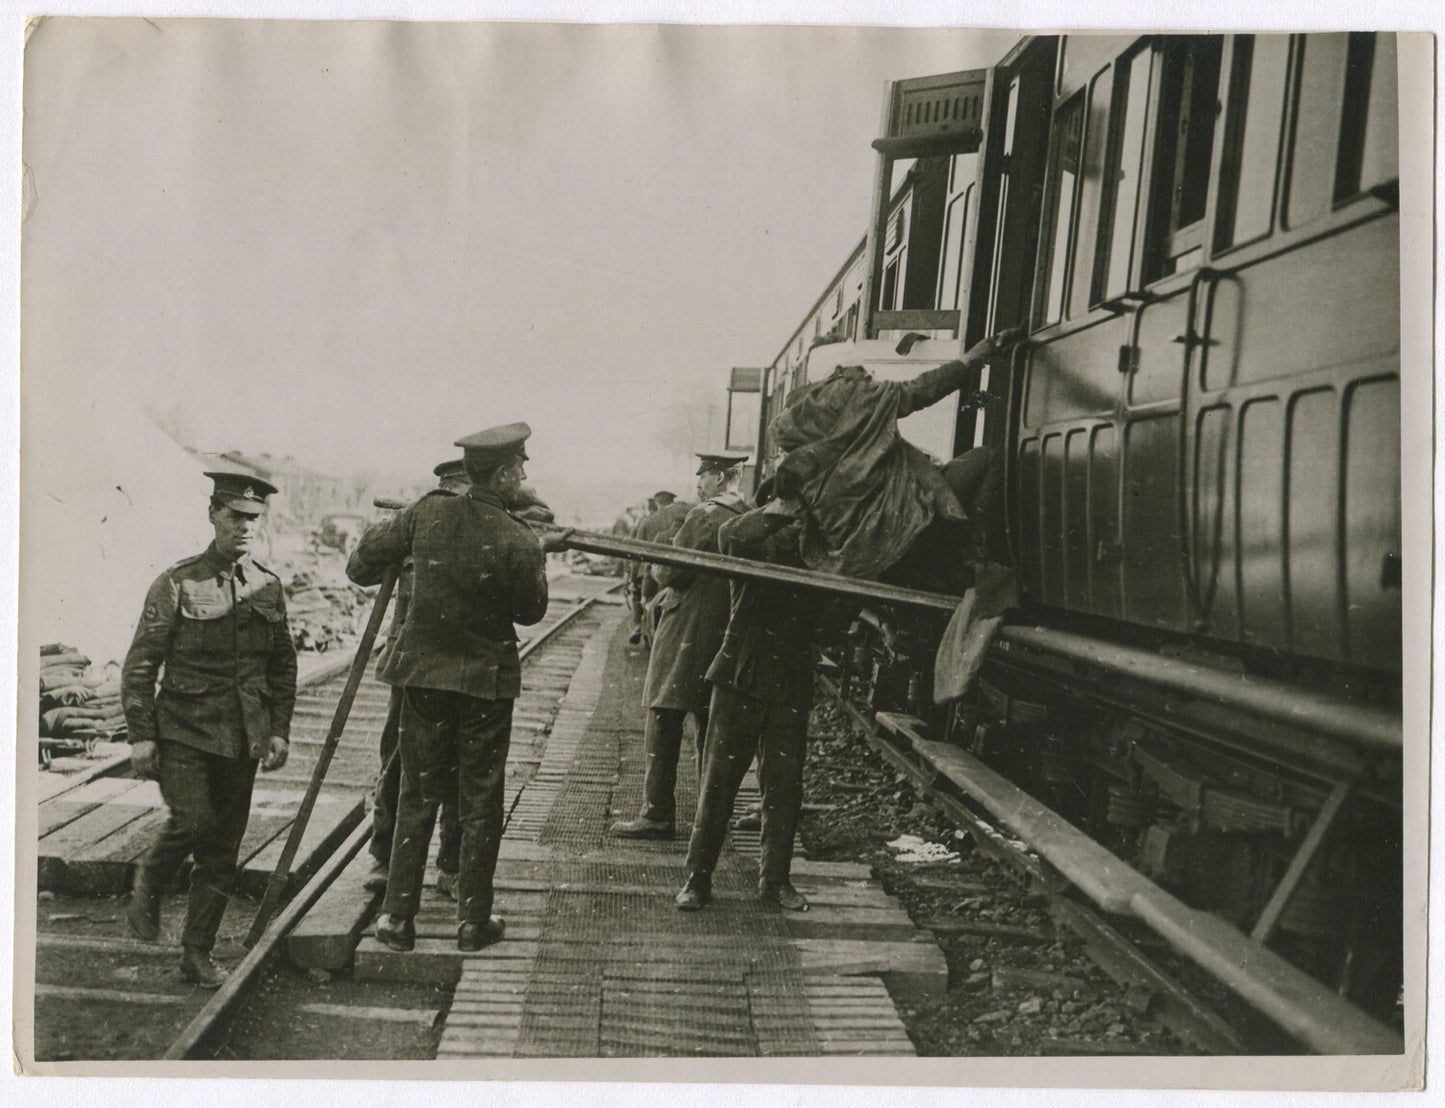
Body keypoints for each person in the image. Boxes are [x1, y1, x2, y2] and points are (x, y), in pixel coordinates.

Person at [346, 423, 552, 953]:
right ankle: (473, 922)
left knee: (417, 792)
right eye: (518, 467)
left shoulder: (425, 512)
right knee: (481, 797)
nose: (523, 474)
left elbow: (364, 557)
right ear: (501, 475)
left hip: (423, 677)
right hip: (485, 684)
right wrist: (537, 556)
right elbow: (531, 612)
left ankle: (397, 919)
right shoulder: (518, 536)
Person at [121, 472, 296, 987]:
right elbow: (140, 666)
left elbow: (282, 665)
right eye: (235, 516)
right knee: (195, 820)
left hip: (242, 738)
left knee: (222, 853)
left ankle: (196, 954)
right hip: (183, 731)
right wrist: (141, 735)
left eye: (253, 519)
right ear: (213, 515)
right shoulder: (178, 582)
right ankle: (151, 877)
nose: (245, 527)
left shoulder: (268, 586)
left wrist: (279, 729)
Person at [675, 494, 821, 913]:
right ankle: (697, 878)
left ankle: (775, 881)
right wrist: (781, 510)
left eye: (806, 515)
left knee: (784, 785)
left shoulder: (819, 556)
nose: (800, 523)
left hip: (790, 683)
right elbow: (729, 534)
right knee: (719, 782)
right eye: (794, 514)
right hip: (741, 677)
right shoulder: (753, 544)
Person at [610, 452, 750, 840]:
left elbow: (669, 572)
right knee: (711, 723)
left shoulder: (704, 516)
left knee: (663, 715)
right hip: (725, 631)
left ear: (719, 477)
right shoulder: (747, 513)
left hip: (688, 628)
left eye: (703, 477)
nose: (698, 484)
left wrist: (660, 557)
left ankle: (656, 813)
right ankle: (710, 816)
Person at [359, 457, 469, 898]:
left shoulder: (493, 526)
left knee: (463, 767)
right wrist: (401, 524)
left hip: (465, 668)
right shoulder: (413, 529)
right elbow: (358, 568)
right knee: (397, 763)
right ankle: (386, 856)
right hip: (412, 668)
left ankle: (452, 865)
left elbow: (539, 512)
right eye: (448, 496)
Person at [626, 491, 694, 646]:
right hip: (676, 574)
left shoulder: (647, 521)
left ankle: (638, 627)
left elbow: (637, 551)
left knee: (644, 601)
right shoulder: (686, 520)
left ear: (657, 502)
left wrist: (632, 576)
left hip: (650, 571)